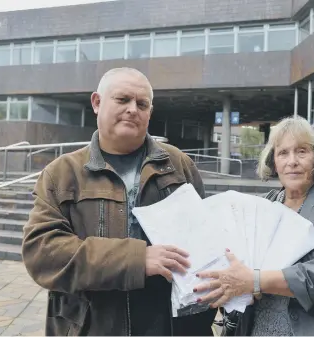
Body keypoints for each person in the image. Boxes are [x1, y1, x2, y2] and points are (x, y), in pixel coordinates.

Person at [22, 67, 217, 336]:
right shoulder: (61, 173)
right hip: (90, 326)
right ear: (97, 102)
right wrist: (136, 260)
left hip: (169, 327)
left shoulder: (179, 165)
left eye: (142, 103)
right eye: (122, 99)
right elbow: (42, 254)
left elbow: (205, 244)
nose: (132, 109)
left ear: (150, 111)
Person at [194, 116, 314, 336]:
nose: (292, 161)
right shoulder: (264, 204)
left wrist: (253, 281)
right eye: (283, 153)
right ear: (273, 161)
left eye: (301, 151)